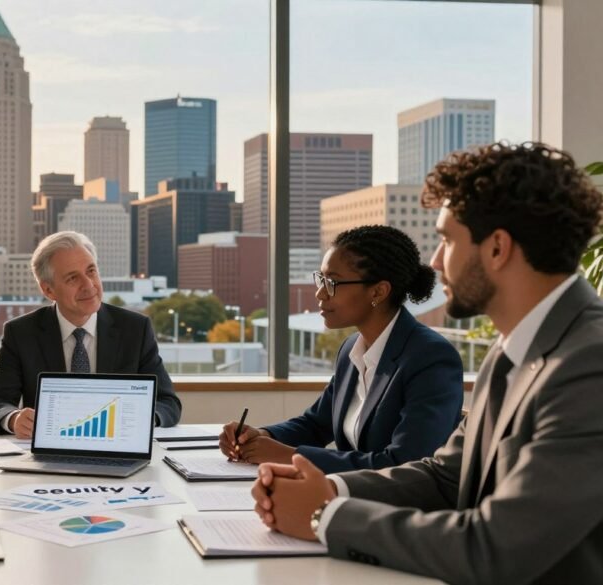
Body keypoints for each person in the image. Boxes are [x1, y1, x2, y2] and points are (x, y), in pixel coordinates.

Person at [252, 142, 603, 584]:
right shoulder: (512, 350)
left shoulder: (590, 365)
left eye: (445, 240)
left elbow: (495, 548)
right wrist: (329, 489)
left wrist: (327, 516)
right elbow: (443, 476)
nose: (435, 262)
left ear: (497, 248)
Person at [219, 225, 463, 473]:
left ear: (378, 291)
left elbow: (404, 464)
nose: (320, 293)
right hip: (352, 498)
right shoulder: (351, 351)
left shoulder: (430, 358)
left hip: (400, 507)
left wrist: (291, 457)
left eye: (332, 282)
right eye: (321, 279)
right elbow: (315, 425)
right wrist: (262, 435)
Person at [0, 231, 182, 438]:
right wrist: (13, 419)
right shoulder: (21, 333)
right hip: (49, 455)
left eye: (91, 271)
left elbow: (167, 403)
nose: (88, 285)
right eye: (73, 278)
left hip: (117, 447)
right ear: (49, 290)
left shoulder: (135, 329)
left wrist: (143, 419)